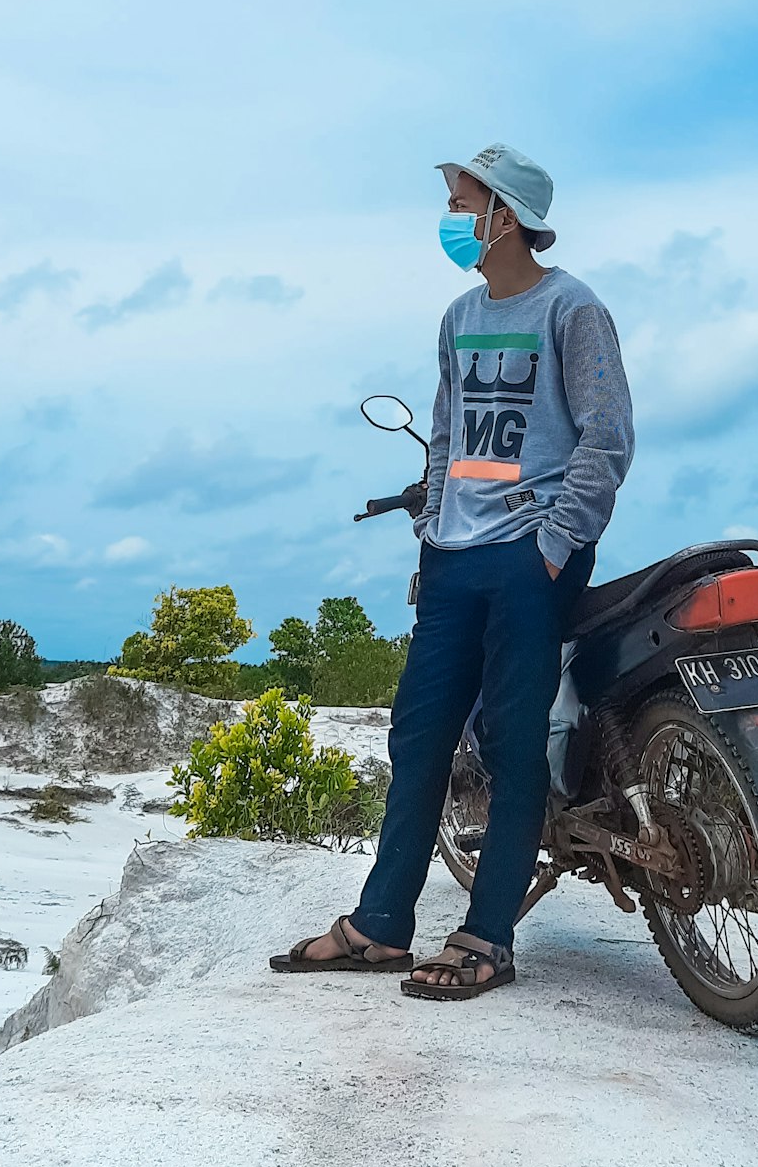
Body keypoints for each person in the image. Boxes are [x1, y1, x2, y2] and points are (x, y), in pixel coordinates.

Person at [270, 143, 634, 1000]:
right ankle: (380, 926)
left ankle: (487, 937)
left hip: (529, 556)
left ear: (504, 215)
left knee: (512, 745)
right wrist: (431, 530)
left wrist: (552, 546)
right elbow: (448, 435)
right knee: (420, 735)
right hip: (454, 555)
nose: (451, 217)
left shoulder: (572, 310)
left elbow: (607, 436)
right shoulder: (458, 316)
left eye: (462, 201)